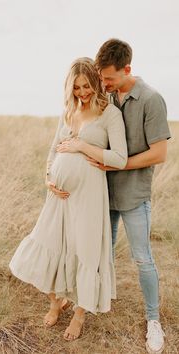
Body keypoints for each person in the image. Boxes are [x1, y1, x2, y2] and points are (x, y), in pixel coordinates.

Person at [9, 57, 127, 341]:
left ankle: (79, 314)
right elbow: (52, 152)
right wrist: (48, 178)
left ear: (96, 83)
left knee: (84, 252)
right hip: (58, 198)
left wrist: (82, 146)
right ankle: (55, 301)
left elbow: (120, 158)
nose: (83, 93)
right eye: (76, 88)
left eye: (86, 86)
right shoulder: (68, 112)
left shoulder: (109, 114)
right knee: (45, 244)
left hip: (88, 195)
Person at [91, 39, 171, 354]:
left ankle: (154, 321)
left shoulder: (152, 100)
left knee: (142, 258)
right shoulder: (105, 96)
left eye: (109, 78)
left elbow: (160, 154)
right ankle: (98, 299)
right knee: (102, 253)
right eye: (101, 78)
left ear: (127, 69)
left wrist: (118, 162)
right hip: (102, 192)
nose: (104, 84)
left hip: (135, 194)